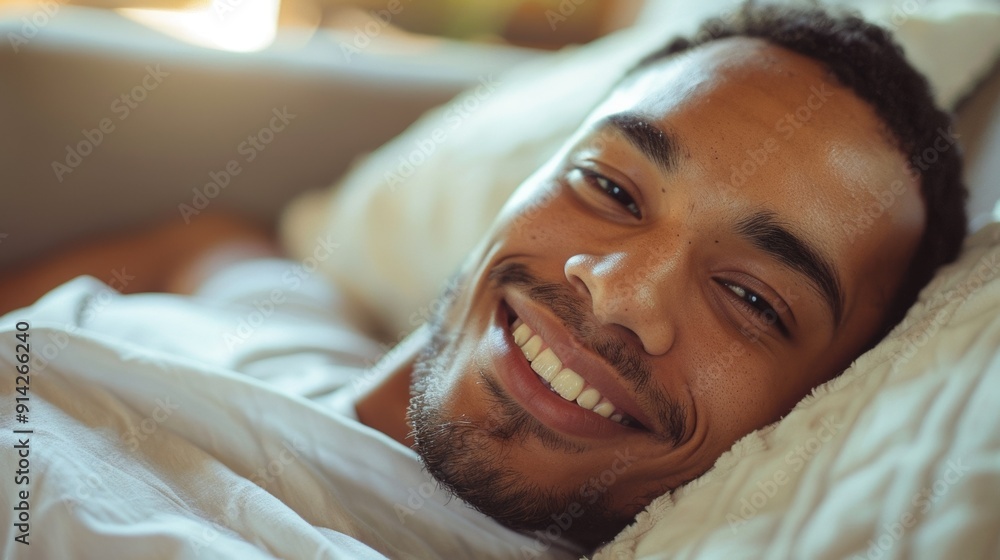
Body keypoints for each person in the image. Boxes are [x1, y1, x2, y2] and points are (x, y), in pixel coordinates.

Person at [0, 3, 967, 555]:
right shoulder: (297, 318)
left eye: (753, 299)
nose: (621, 293)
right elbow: (209, 241)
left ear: (814, 406)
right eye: (610, 188)